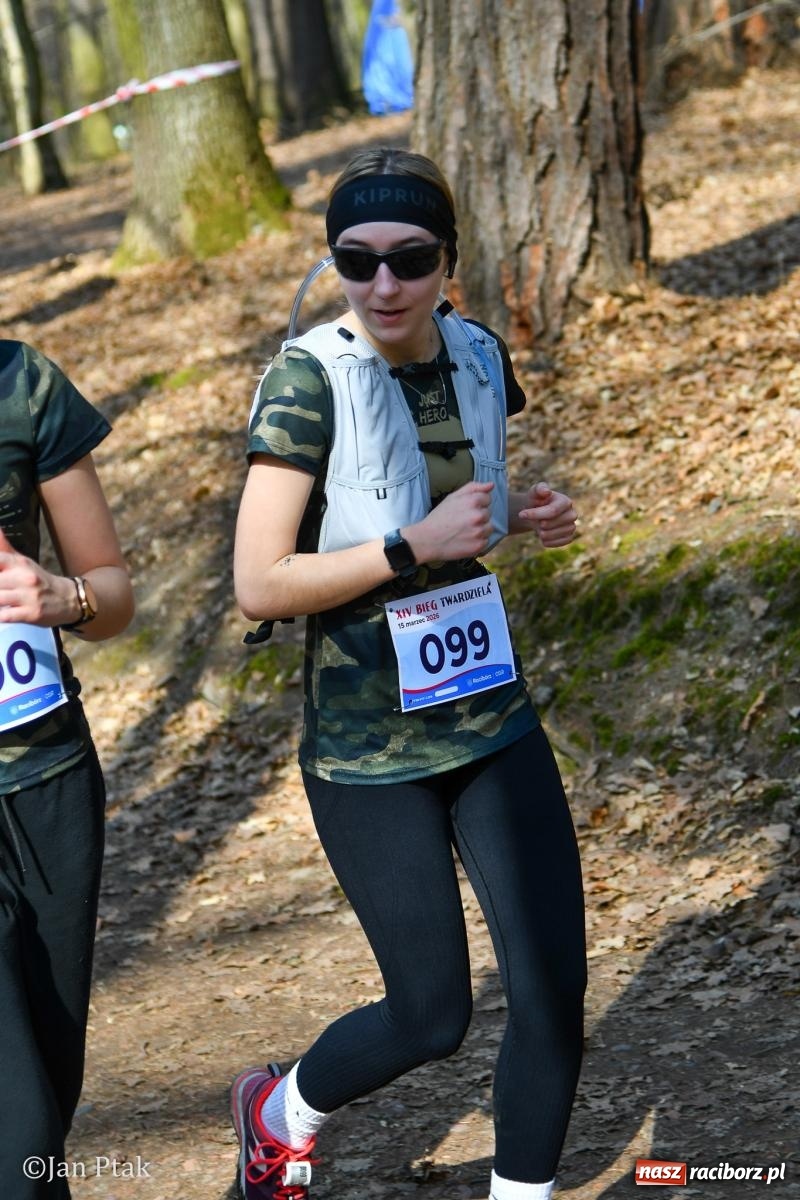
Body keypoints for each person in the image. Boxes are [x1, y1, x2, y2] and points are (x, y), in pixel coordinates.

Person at [231, 148, 586, 1200]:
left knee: (551, 991)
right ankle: (278, 1112)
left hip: (487, 716)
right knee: (431, 1014)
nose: (382, 284)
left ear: (448, 261)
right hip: (365, 748)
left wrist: (522, 511)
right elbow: (258, 581)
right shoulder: (308, 379)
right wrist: (407, 549)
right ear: (334, 260)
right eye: (356, 259)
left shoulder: (476, 352)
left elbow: (455, 486)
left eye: (409, 258)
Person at [0, 341, 134, 1199]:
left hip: (48, 774)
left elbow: (113, 596)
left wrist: (65, 599)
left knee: (49, 1093)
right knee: (19, 1128)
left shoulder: (23, 383)